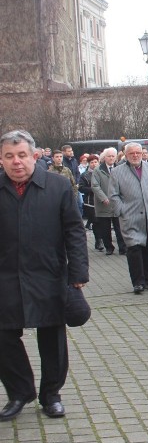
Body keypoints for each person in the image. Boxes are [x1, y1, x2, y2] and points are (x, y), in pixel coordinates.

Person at [0, 130, 88, 421]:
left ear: (34, 156)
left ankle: (51, 394)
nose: (16, 162)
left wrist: (78, 273)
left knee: (51, 337)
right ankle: (19, 392)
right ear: (1, 159)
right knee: (3, 336)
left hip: (48, 273)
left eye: (22, 155)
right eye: (9, 156)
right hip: (6, 276)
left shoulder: (58, 186)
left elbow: (74, 230)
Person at [109, 142, 148, 295]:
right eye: (131, 153)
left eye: (138, 153)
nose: (135, 156)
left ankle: (147, 280)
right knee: (134, 249)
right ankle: (138, 282)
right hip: (130, 217)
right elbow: (113, 195)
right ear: (126, 155)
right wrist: (122, 210)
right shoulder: (117, 172)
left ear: (142, 154)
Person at [91, 148, 126, 256]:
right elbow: (95, 186)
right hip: (103, 204)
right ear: (104, 157)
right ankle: (109, 247)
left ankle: (123, 248)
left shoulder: (120, 169)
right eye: (109, 156)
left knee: (119, 227)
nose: (111, 158)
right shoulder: (98, 170)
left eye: (113, 156)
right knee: (105, 228)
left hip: (117, 203)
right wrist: (103, 198)